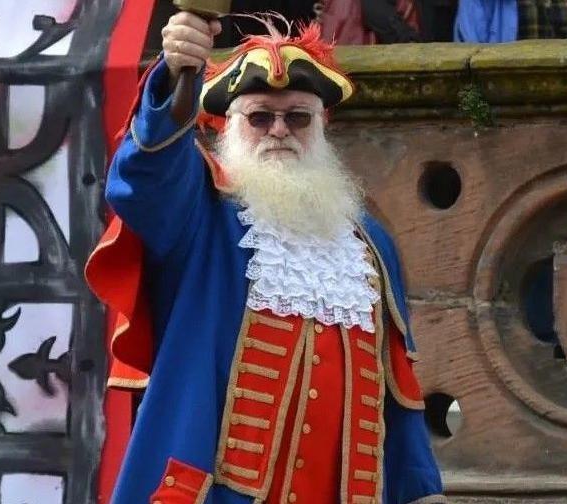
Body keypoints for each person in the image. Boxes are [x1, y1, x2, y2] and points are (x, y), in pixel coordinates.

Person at [86, 11, 445, 504]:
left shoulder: (371, 245)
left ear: (322, 126)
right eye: (259, 117)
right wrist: (176, 75)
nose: (279, 130)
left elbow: (398, 394)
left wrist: (422, 491)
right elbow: (145, 179)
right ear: (227, 126)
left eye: (297, 117)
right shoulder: (202, 216)